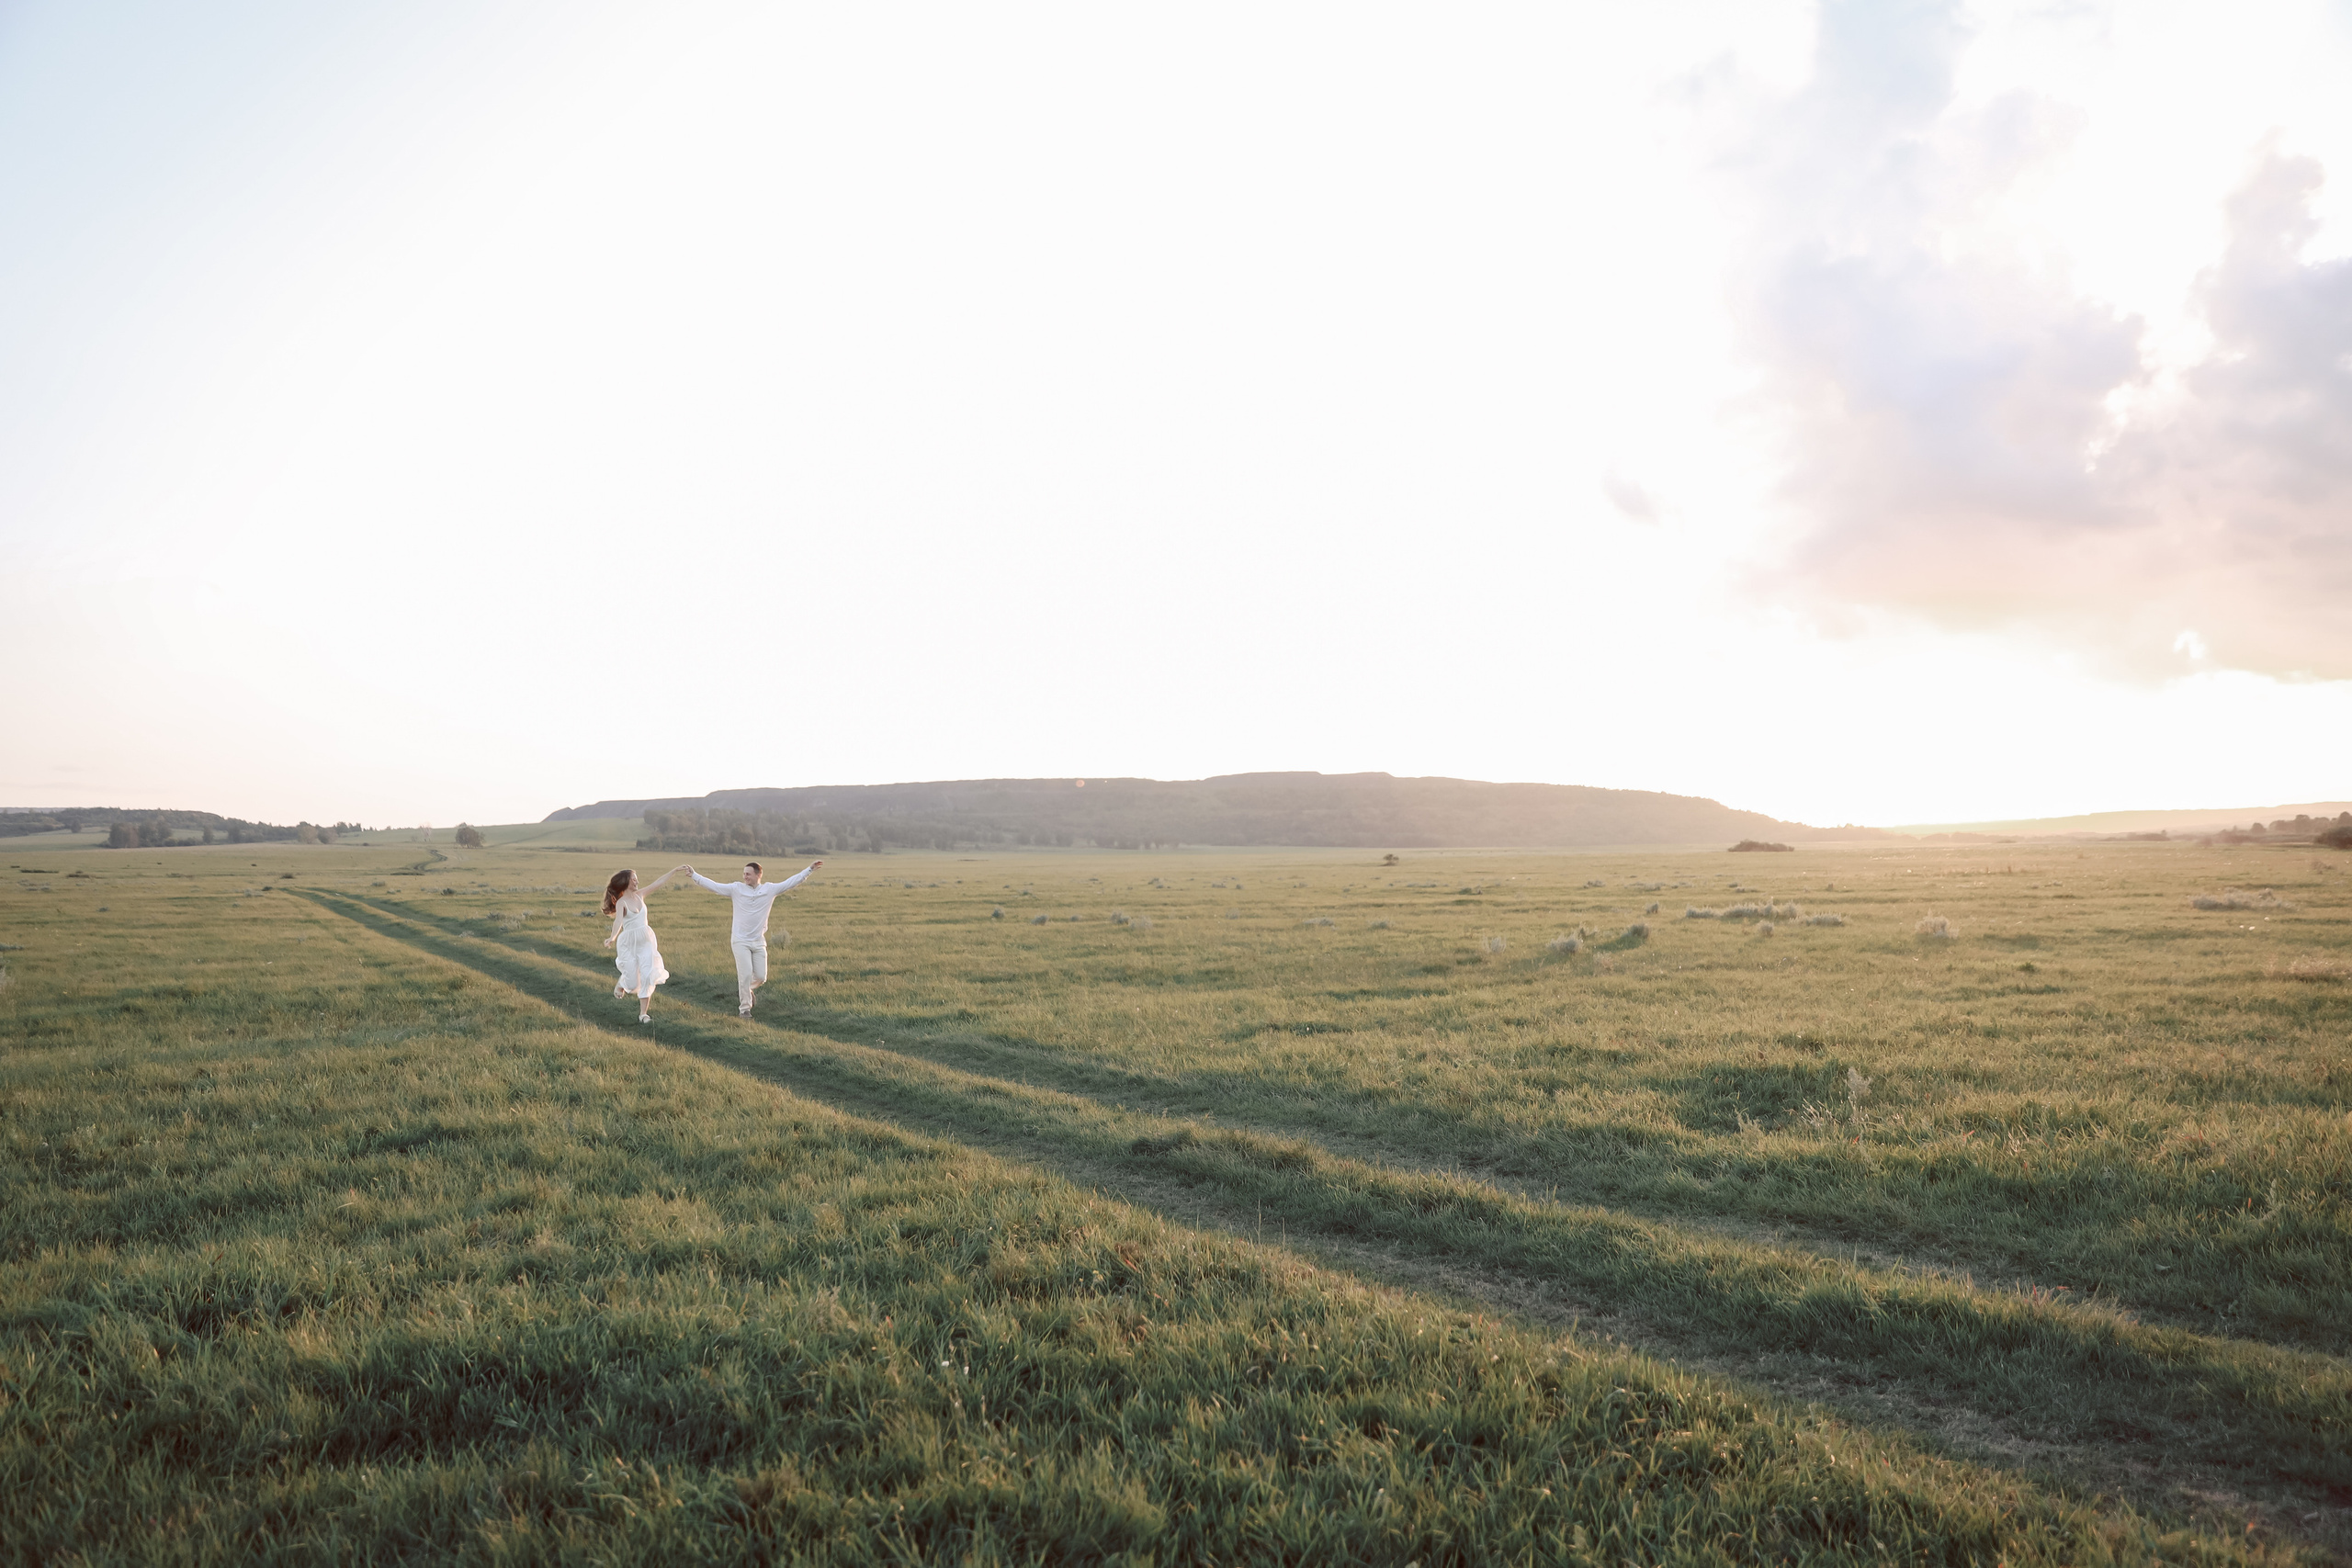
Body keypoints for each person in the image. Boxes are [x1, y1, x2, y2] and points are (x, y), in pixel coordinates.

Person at [684, 858, 823, 1014]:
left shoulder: (770, 889)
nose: (745, 877)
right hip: (740, 940)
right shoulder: (736, 888)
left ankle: (747, 990)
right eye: (744, 874)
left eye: (748, 874)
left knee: (761, 977)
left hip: (758, 941)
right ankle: (745, 1010)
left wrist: (809, 870)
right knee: (745, 975)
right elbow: (715, 887)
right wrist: (694, 875)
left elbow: (790, 882)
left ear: (758, 875)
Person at [602, 865, 685, 1023]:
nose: (637, 882)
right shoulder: (622, 903)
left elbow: (658, 883)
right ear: (626, 882)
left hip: (646, 940)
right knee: (633, 983)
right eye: (634, 879)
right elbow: (618, 921)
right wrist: (612, 937)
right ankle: (623, 982)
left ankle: (643, 1015)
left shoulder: (640, 895)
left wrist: (674, 871)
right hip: (628, 942)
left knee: (648, 975)